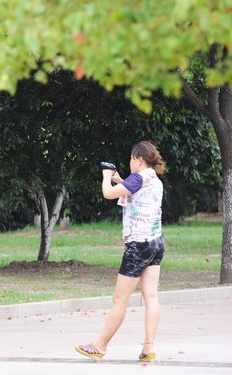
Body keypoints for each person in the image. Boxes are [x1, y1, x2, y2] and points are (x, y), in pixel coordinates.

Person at [75, 141, 166, 362]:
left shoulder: (138, 178)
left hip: (138, 246)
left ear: (139, 159)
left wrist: (106, 176)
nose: (130, 163)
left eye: (131, 159)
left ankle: (100, 346)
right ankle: (148, 348)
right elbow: (133, 189)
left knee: (119, 300)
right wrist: (119, 179)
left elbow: (108, 194)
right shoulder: (154, 179)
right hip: (156, 243)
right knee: (151, 295)